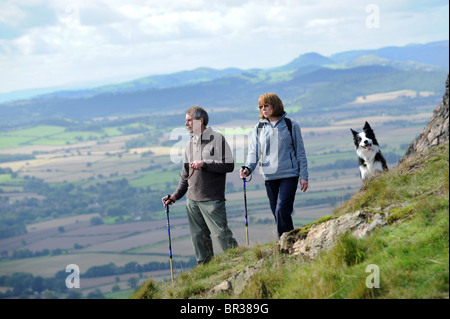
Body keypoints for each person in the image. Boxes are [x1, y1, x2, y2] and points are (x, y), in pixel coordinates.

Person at [162, 106, 238, 265]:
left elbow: (229, 165)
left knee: (221, 236)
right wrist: (175, 196)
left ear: (200, 120)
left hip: (212, 200)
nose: (186, 124)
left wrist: (205, 164)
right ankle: (205, 271)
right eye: (186, 121)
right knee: (198, 238)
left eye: (189, 120)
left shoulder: (217, 139)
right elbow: (185, 174)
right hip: (192, 201)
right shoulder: (190, 143)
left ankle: (239, 262)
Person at [240, 93, 309, 238]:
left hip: (289, 174)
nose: (263, 109)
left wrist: (304, 176)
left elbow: (300, 152)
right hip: (269, 176)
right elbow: (254, 152)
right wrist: (247, 168)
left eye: (266, 106)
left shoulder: (291, 125)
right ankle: (291, 240)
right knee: (278, 213)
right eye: (261, 107)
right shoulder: (259, 127)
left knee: (281, 210)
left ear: (275, 106)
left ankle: (282, 244)